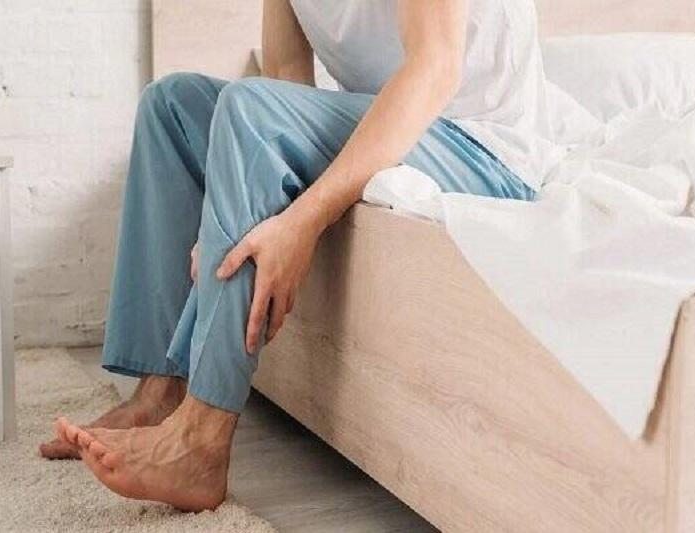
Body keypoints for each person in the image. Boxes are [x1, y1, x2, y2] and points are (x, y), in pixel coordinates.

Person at [43, 0, 553, 511]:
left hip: (477, 147)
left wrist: (302, 221)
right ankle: (157, 396)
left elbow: (435, 68)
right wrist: (229, 199)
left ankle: (201, 439)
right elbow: (288, 78)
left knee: (249, 109)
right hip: (387, 124)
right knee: (171, 105)